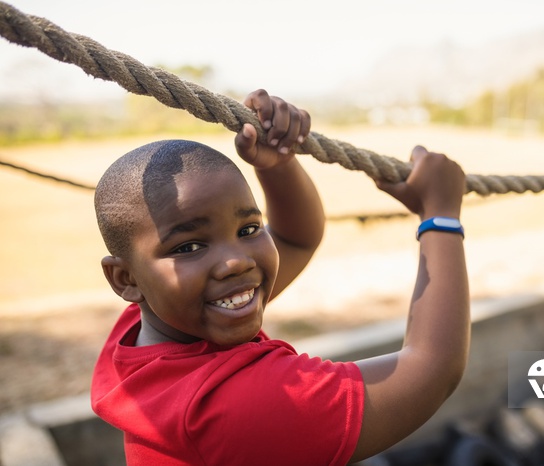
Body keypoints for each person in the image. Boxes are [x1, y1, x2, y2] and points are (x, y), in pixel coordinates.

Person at [91, 89, 470, 465]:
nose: (236, 263)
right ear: (126, 279)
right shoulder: (245, 406)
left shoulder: (144, 336)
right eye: (188, 247)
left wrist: (277, 165)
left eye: (249, 229)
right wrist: (441, 216)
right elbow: (433, 369)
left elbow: (294, 238)